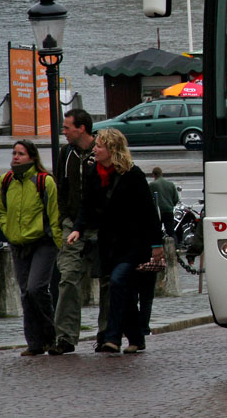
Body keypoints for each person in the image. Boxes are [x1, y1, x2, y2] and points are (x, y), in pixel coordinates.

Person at [68, 129, 164, 354]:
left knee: (118, 282)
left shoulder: (133, 174)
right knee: (125, 291)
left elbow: (149, 212)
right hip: (109, 243)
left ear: (112, 149)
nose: (95, 149)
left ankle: (112, 338)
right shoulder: (94, 172)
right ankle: (136, 337)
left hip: (133, 243)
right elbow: (87, 205)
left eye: (99, 146)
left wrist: (156, 245)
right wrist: (78, 229)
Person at [0, 140, 61, 355]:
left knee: (36, 288)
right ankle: (34, 343)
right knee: (25, 293)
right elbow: (1, 210)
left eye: (21, 153)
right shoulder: (6, 181)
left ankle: (51, 337)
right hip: (18, 244)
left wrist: (59, 243)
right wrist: (8, 230)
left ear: (31, 157)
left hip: (42, 242)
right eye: (14, 153)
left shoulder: (44, 181)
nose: (16, 157)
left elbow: (54, 214)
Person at [51, 109, 98, 355]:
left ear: (81, 128)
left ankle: (108, 335)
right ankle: (65, 337)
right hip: (72, 224)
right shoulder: (66, 153)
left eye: (67, 127)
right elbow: (61, 187)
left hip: (101, 225)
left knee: (109, 279)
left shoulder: (102, 149)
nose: (64, 132)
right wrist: (62, 220)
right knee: (67, 277)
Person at [149, 166, 179, 240]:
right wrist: (171, 205)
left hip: (158, 212)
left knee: (156, 231)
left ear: (153, 175)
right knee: (171, 231)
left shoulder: (152, 185)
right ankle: (175, 247)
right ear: (161, 173)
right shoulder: (170, 184)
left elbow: (149, 199)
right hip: (169, 210)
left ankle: (160, 246)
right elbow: (176, 198)